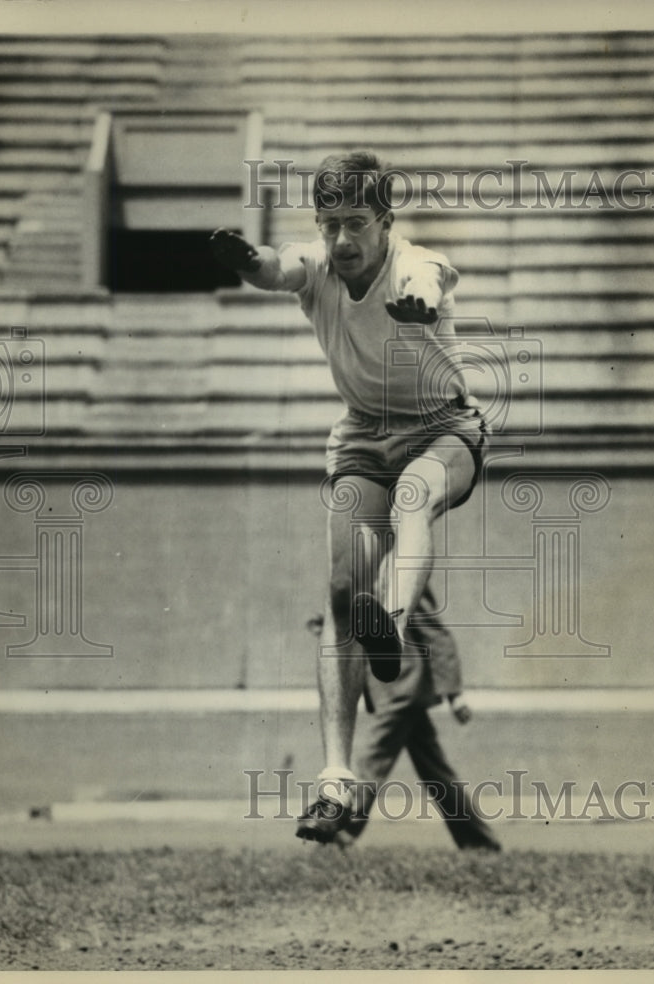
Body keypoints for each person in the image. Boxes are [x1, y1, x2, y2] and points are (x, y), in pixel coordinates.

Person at [211, 150, 486, 843]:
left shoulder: (415, 263)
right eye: (329, 223)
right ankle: (335, 782)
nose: (341, 240)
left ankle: (390, 623)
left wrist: (420, 299)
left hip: (442, 429)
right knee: (340, 588)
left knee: (415, 496)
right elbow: (278, 269)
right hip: (363, 436)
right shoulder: (320, 264)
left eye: (355, 224)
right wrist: (248, 261)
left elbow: (434, 273)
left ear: (386, 221)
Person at [306, 587, 501, 852]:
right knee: (437, 773)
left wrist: (455, 695)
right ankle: (479, 842)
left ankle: (340, 831)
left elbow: (435, 634)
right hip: (394, 692)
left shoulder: (405, 577)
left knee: (370, 762)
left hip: (401, 691)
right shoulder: (364, 578)